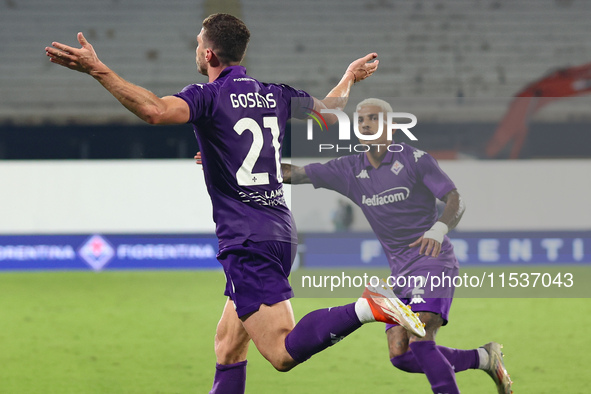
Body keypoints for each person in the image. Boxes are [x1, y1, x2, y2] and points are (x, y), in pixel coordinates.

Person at [46, 14, 426, 393]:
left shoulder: (206, 95)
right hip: (278, 231)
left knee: (280, 352)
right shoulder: (273, 93)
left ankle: (369, 306)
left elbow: (155, 111)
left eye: (198, 43)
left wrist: (98, 70)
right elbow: (330, 111)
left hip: (246, 241)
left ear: (209, 54)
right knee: (228, 348)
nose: (196, 48)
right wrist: (349, 78)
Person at [282, 98, 513, 394]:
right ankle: (485, 358)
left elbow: (456, 199)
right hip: (400, 273)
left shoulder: (415, 160)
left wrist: (439, 228)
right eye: (361, 120)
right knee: (401, 356)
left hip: (433, 260)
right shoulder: (349, 169)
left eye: (373, 119)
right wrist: (247, 169)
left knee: (421, 335)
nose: (365, 124)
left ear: (390, 126)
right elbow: (296, 173)